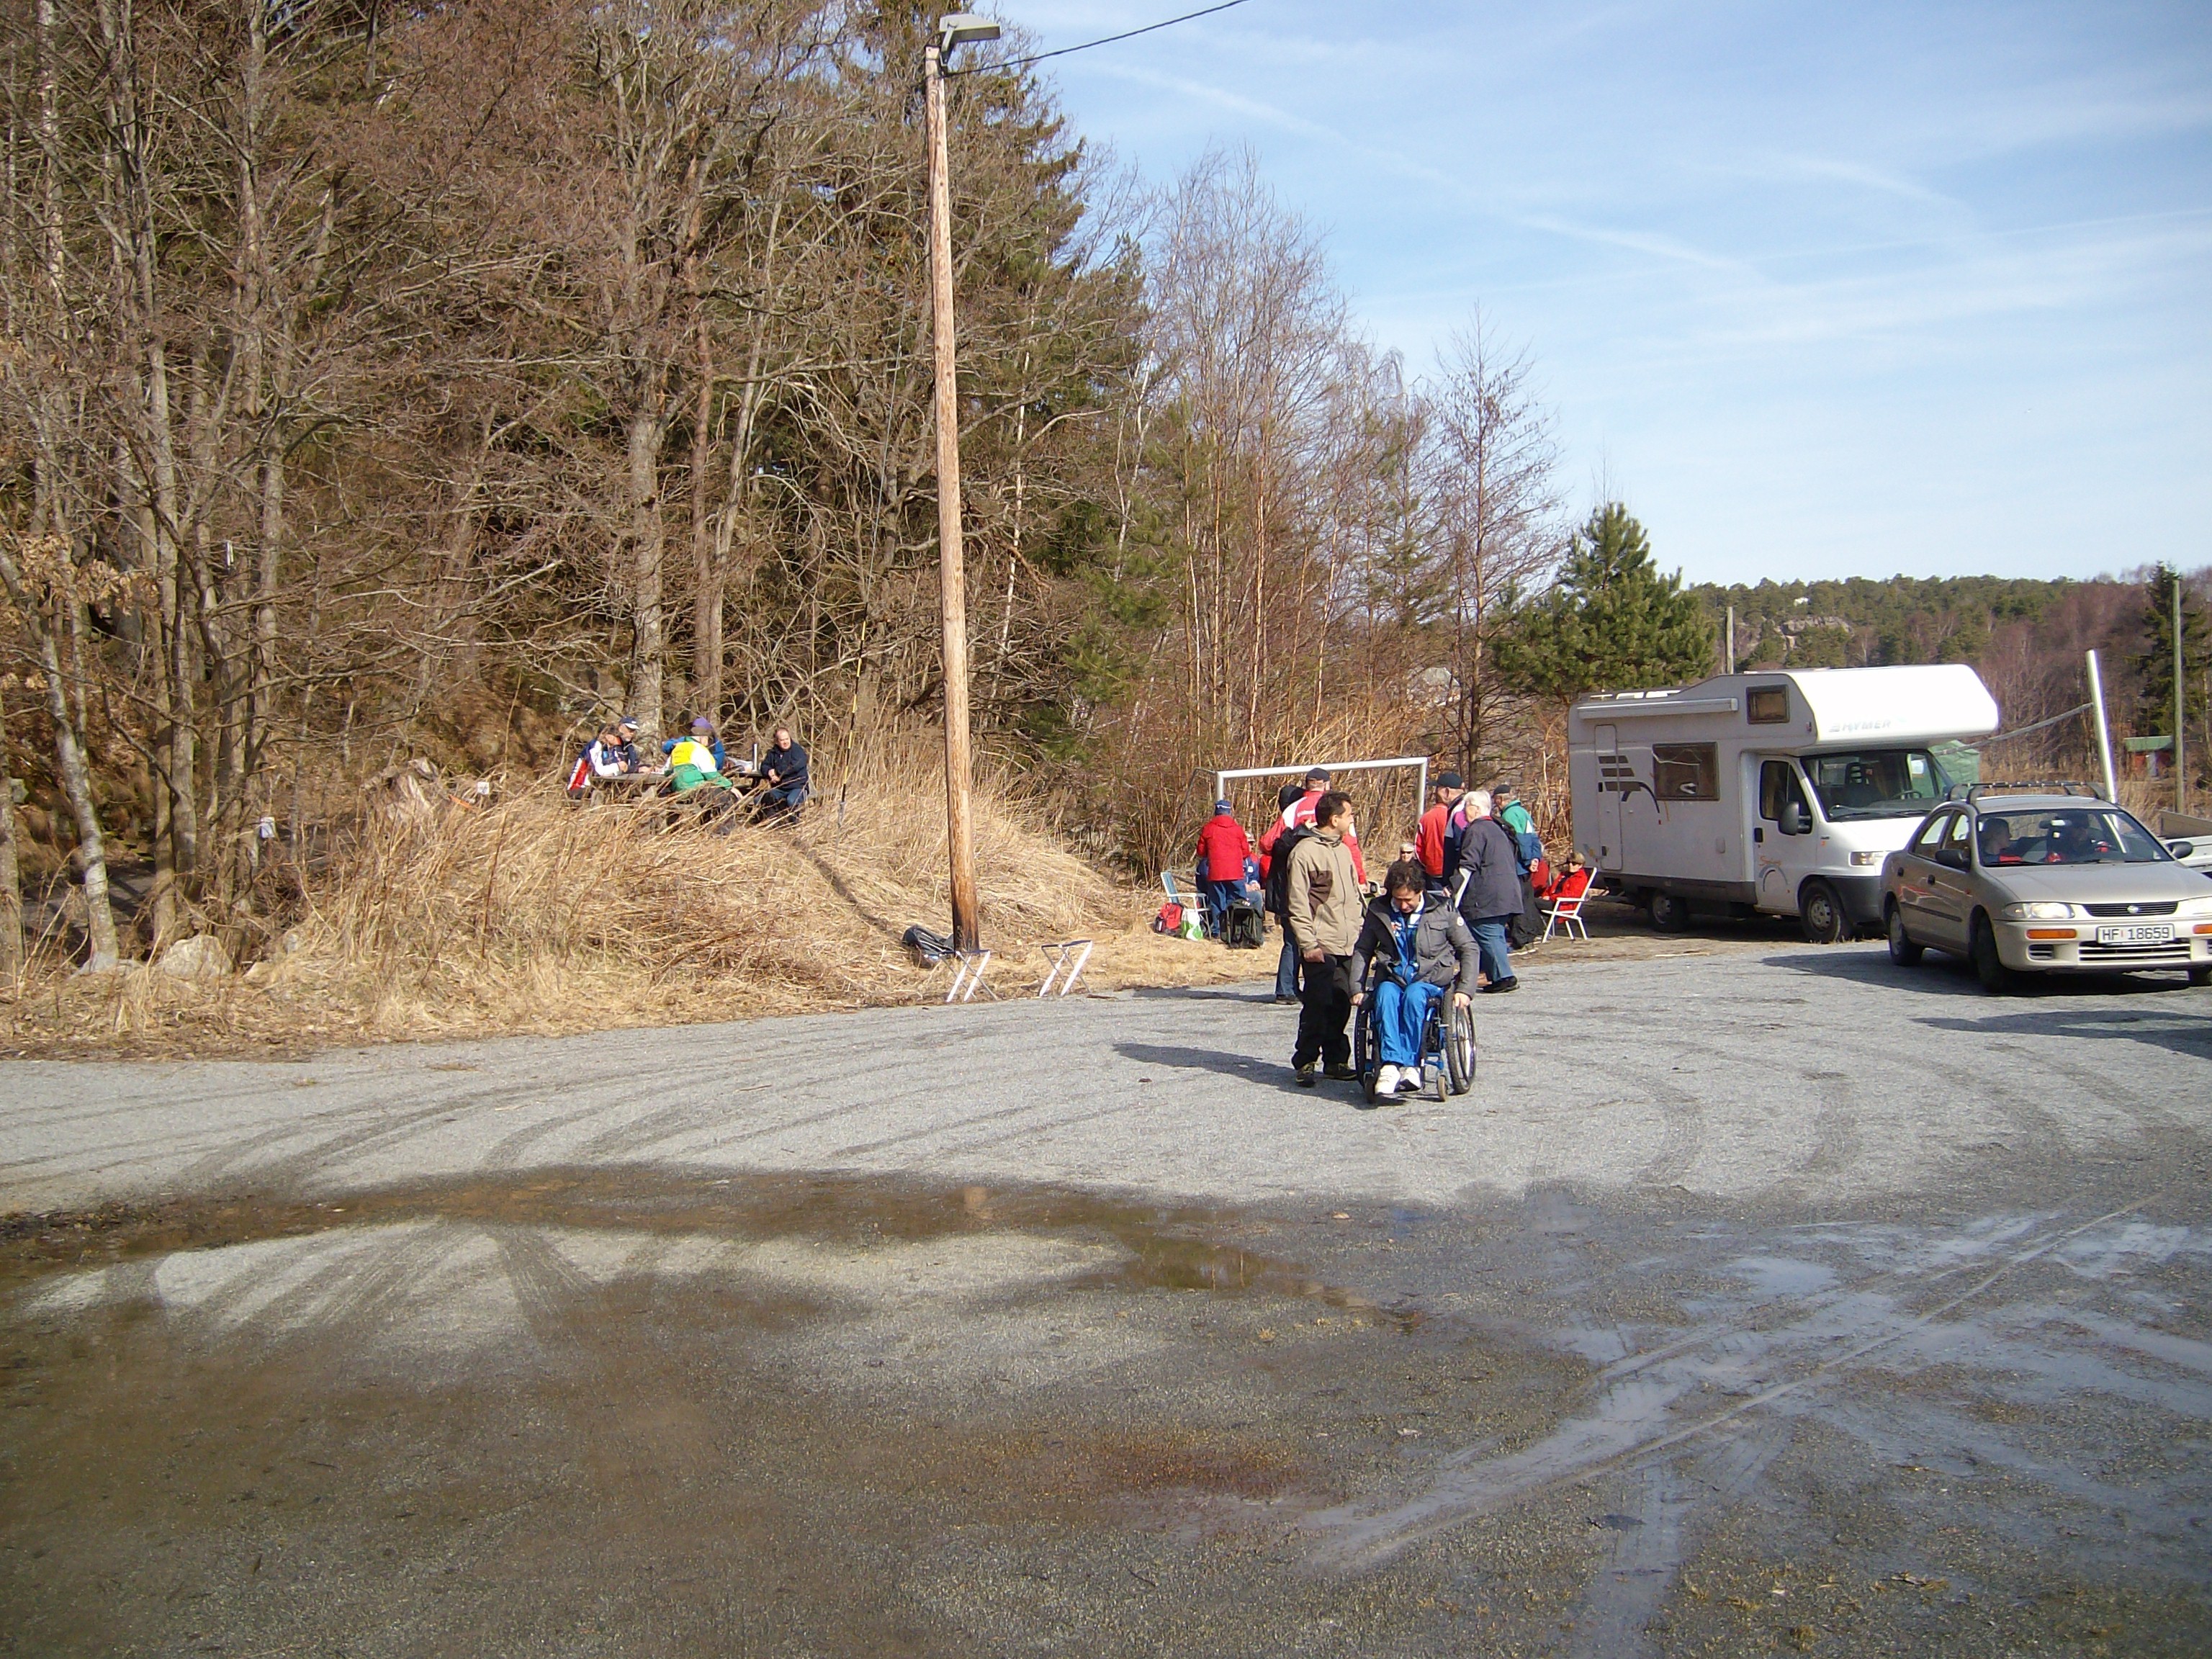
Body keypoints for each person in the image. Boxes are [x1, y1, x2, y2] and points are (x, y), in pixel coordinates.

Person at [1351, 860, 1480, 1097]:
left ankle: (1412, 1065)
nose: (1403, 905)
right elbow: (1363, 949)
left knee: (1414, 996)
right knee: (1385, 995)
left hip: (1430, 979)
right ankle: (1390, 1065)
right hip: (1394, 977)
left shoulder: (1443, 910)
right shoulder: (1379, 911)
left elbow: (1469, 948)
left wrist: (1465, 989)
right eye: (1398, 899)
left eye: (1408, 900)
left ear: (1420, 892)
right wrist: (1356, 987)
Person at [1285, 791, 1363, 1087]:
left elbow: (1354, 896)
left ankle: (1336, 1061)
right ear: (1334, 819)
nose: (1352, 820)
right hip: (1321, 944)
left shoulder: (1343, 850)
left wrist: (1362, 930)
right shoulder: (1304, 853)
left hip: (1348, 942)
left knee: (1341, 1004)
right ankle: (1305, 1061)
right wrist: (1308, 944)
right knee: (1317, 1006)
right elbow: (1297, 904)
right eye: (1349, 815)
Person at [1453, 788, 1522, 993]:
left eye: (1466, 807)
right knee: (1495, 934)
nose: (1463, 811)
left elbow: (1468, 865)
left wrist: (1455, 893)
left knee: (1486, 933)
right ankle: (1490, 974)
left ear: (1475, 809)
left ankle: (1505, 977)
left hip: (1486, 895)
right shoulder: (1497, 828)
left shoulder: (1476, 830)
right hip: (1507, 891)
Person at [1258, 783, 1308, 1003]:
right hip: (1289, 894)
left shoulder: (1282, 834)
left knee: (1293, 941)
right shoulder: (1290, 835)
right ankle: (1286, 988)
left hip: (1282, 894)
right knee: (1293, 941)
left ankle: (1291, 987)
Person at [1195, 799, 1254, 937]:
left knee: (1217, 902)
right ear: (1229, 812)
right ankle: (1237, 932)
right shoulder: (1238, 829)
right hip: (1236, 873)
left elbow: (1201, 851)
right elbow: (1246, 852)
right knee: (1238, 902)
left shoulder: (1209, 829)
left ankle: (1218, 932)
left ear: (1216, 812)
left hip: (1216, 873)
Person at [1415, 771, 1465, 884]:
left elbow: (1418, 848)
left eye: (1438, 788)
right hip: (1455, 873)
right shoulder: (1462, 814)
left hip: (1435, 872)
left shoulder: (1427, 818)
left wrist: (1428, 865)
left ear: (1447, 791)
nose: (1435, 792)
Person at [756, 726, 809, 819]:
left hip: (797, 787)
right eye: (782, 740)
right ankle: (772, 821)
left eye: (787, 739)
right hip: (780, 788)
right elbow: (764, 766)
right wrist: (769, 773)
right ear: (777, 741)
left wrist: (777, 772)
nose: (785, 742)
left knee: (791, 801)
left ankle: (794, 823)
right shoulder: (773, 753)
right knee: (761, 799)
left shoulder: (797, 751)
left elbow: (794, 766)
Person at [663, 716, 727, 774]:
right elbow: (666, 747)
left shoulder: (716, 744)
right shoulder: (687, 740)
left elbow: (718, 763)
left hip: (707, 769)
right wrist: (673, 745)